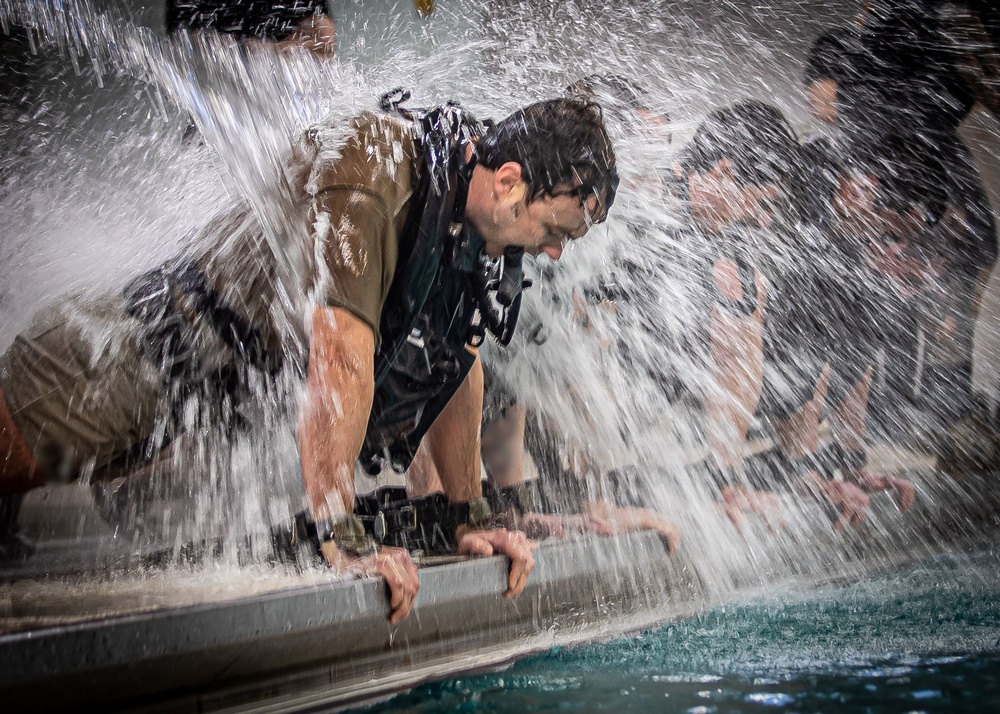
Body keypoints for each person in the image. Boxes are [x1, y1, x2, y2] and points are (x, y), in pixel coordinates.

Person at [0, 94, 619, 624]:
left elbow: (457, 364)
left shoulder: (472, 225)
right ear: (509, 180)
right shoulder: (370, 171)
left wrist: (465, 516)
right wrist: (341, 537)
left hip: (208, 411)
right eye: (556, 232)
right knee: (20, 464)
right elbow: (340, 356)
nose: (555, 254)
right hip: (130, 355)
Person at [803, 3, 998, 454]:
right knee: (878, 277)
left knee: (971, 254)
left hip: (919, 146)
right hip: (887, 143)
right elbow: (827, 102)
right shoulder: (860, 50)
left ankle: (941, 403)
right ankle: (853, 409)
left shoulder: (938, 34)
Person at [166, 0, 337, 57]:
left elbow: (323, 43)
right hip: (219, 109)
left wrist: (265, 52)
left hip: (291, 99)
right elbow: (184, 50)